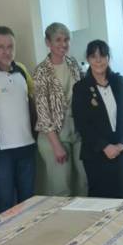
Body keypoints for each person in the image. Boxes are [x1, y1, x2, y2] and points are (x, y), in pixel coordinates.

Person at [0, 26, 37, 213]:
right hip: (1, 151)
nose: (6, 51)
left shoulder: (22, 69)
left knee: (29, 201)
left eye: (10, 46)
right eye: (1, 47)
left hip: (27, 146)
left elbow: (34, 98)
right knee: (5, 204)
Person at [71, 39, 123, 198]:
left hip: (121, 152)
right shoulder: (81, 88)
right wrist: (105, 146)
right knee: (101, 201)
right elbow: (82, 123)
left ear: (108, 58)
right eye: (94, 56)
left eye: (102, 56)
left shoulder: (119, 82)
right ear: (88, 59)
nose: (98, 61)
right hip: (96, 153)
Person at [33, 22, 86, 196]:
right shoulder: (41, 71)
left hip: (76, 131)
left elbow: (88, 86)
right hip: (53, 135)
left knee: (84, 183)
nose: (63, 44)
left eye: (66, 39)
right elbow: (42, 112)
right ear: (48, 42)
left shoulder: (73, 64)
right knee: (62, 190)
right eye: (58, 40)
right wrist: (56, 146)